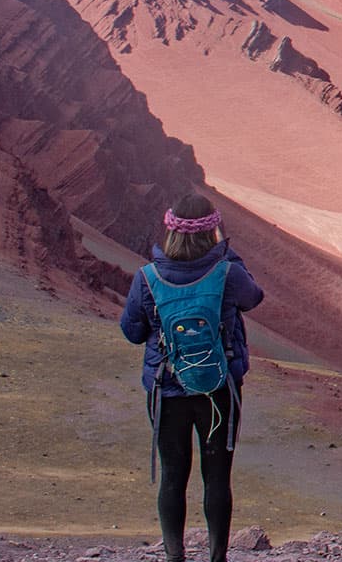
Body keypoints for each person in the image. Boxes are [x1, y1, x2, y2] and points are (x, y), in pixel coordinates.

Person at [121, 194, 265, 562]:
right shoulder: (227, 272)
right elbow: (253, 297)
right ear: (213, 230)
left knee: (173, 474)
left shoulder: (147, 277)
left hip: (166, 390)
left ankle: (175, 557)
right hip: (219, 389)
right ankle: (218, 558)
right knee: (217, 476)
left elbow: (133, 331)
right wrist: (229, 255)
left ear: (170, 230)